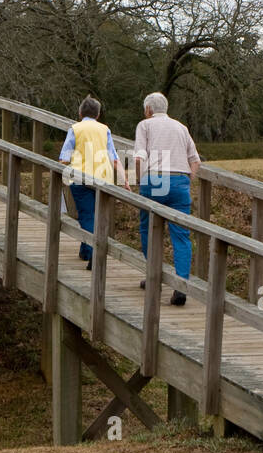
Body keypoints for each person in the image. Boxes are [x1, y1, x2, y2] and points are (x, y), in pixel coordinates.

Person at [132, 92, 200, 306]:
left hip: (154, 180)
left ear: (148, 110)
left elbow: (139, 156)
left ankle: (153, 275)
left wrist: (140, 181)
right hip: (180, 180)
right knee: (181, 236)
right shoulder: (181, 127)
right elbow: (195, 161)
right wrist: (187, 180)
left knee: (148, 228)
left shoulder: (145, 125)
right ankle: (181, 285)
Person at [58, 95, 127, 269]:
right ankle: (85, 250)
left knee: (86, 215)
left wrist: (59, 171)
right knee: (98, 215)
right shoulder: (105, 129)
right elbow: (114, 157)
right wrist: (124, 179)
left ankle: (92, 253)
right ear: (97, 115)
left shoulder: (75, 128)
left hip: (81, 176)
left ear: (80, 112)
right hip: (103, 177)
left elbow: (65, 157)